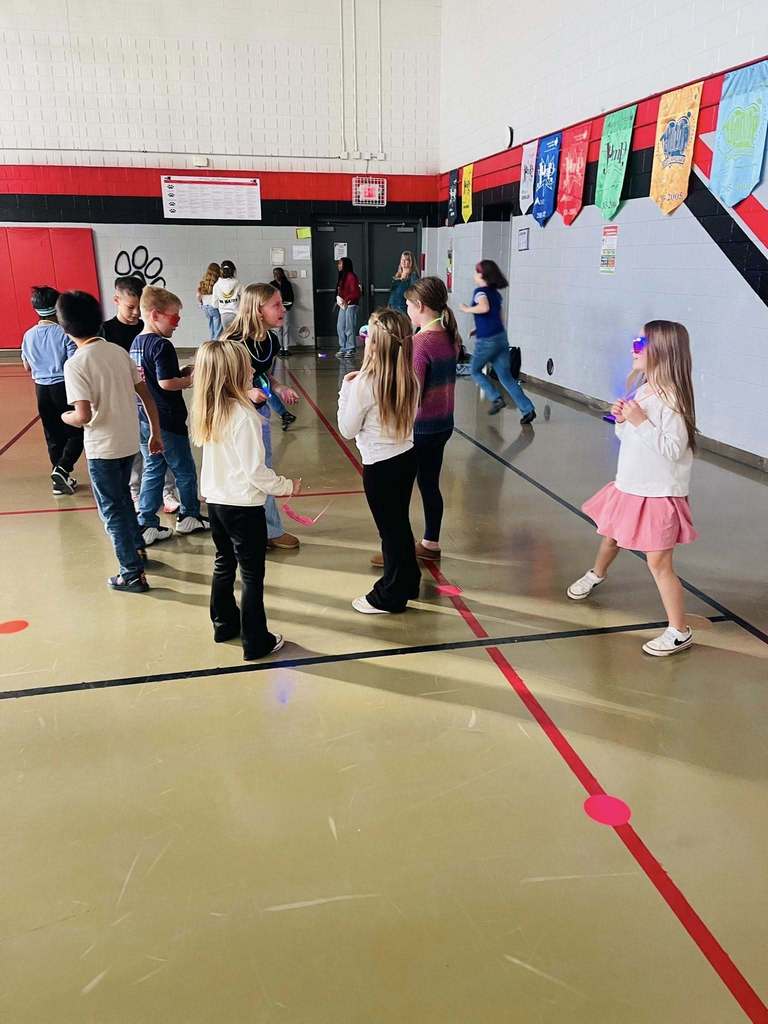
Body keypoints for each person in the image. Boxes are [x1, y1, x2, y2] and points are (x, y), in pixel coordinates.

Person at [567, 321, 698, 657]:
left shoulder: (672, 400)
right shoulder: (643, 391)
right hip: (631, 485)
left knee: (659, 564)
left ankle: (679, 630)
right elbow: (628, 439)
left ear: (662, 351)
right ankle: (596, 574)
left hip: (657, 494)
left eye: (640, 343)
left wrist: (639, 420)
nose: (633, 348)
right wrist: (625, 421)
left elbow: (673, 449)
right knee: (610, 535)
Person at [191, 340, 302, 660]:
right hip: (243, 507)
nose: (254, 369)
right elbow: (256, 472)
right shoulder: (244, 417)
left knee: (224, 563)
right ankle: (256, 640)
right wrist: (286, 486)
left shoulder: (211, 409)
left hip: (217, 503)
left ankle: (224, 623)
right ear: (234, 373)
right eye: (248, 366)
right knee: (252, 575)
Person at [58, 290, 163, 593]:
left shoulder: (76, 364)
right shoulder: (119, 352)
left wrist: (65, 417)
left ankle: (130, 573)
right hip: (129, 442)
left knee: (112, 510)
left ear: (65, 328)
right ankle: (137, 551)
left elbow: (83, 414)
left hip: (102, 449)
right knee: (123, 501)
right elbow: (146, 396)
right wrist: (155, 432)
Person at [338, 308, 421, 614]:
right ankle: (409, 579)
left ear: (375, 344)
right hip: (405, 458)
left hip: (380, 467)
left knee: (391, 530)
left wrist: (344, 391)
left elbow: (347, 429)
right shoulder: (408, 377)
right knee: (399, 524)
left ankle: (392, 593)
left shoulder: (363, 384)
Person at [220, 283, 301, 550]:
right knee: (242, 470)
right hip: (233, 415)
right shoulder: (233, 342)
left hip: (258, 412)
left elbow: (263, 373)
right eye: (276, 305)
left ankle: (268, 529)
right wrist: (245, 391)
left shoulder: (270, 340)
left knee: (260, 467)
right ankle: (247, 530)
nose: (283, 310)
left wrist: (277, 387)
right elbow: (220, 381)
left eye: (282, 304)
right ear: (257, 309)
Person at [130, 286, 210, 545]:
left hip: (145, 419)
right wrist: (190, 380)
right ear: (155, 315)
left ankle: (146, 523)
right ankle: (190, 515)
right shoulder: (162, 345)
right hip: (168, 421)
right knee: (185, 469)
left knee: (153, 469)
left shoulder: (137, 343)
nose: (178, 323)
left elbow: (153, 377)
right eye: (174, 317)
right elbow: (165, 383)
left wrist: (181, 371)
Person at [20, 285, 84, 496]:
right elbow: (73, 361)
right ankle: (63, 468)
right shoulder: (64, 333)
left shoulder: (28, 335)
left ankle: (59, 479)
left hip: (41, 390)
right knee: (77, 431)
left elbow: (27, 366)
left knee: (53, 434)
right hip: (62, 387)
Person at [460, 259, 536, 425]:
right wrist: (478, 328)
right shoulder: (496, 294)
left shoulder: (480, 292)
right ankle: (528, 409)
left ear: (482, 275)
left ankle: (496, 398)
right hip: (501, 338)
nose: (474, 274)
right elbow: (498, 317)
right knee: (506, 378)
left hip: (487, 341)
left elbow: (484, 308)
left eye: (476, 271)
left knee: (474, 370)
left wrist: (467, 309)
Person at [102, 277, 144, 352]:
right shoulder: (103, 331)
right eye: (130, 307)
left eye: (141, 307)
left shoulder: (147, 328)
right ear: (116, 300)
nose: (136, 312)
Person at [335, 256, 362, 358]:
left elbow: (356, 292)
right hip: (343, 305)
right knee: (340, 326)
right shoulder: (342, 276)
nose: (339, 265)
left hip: (351, 304)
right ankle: (343, 347)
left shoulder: (351, 276)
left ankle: (350, 348)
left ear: (345, 265)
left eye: (340, 263)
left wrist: (347, 299)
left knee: (349, 327)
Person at [270, 268, 294, 354]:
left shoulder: (287, 284)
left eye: (278, 274)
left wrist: (289, 306)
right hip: (276, 311)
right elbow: (269, 298)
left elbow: (291, 297)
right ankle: (280, 348)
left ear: (282, 274)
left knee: (286, 328)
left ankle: (286, 348)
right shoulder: (271, 285)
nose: (276, 276)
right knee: (278, 329)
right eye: (275, 274)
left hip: (286, 309)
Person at [212, 260, 241, 330]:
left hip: (224, 315)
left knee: (228, 337)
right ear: (233, 271)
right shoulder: (238, 284)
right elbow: (245, 298)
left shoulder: (216, 285)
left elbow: (214, 304)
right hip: (236, 314)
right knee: (238, 336)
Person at [197, 263, 222, 340]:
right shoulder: (218, 282)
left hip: (205, 307)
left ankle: (211, 343)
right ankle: (215, 346)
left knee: (211, 328)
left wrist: (200, 303)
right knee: (218, 329)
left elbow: (198, 295)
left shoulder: (203, 282)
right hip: (214, 307)